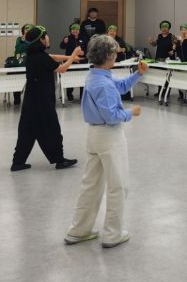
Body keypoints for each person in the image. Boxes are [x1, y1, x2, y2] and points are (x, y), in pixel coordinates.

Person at [64, 35, 148, 249]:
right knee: (118, 186)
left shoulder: (95, 75)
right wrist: (131, 112)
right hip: (109, 137)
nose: (117, 55)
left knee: (90, 185)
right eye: (114, 52)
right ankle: (112, 234)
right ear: (109, 55)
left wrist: (138, 73)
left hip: (93, 136)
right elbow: (112, 116)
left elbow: (120, 86)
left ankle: (78, 230)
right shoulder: (103, 83)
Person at [11, 25, 82, 171]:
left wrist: (70, 58)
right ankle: (59, 160)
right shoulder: (40, 57)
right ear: (41, 40)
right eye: (46, 35)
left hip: (31, 100)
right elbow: (61, 69)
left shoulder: (34, 54)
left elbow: (52, 57)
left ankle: (17, 162)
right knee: (52, 129)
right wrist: (73, 55)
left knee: (27, 131)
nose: (48, 37)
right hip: (42, 101)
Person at [60, 23, 87, 101]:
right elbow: (62, 46)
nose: (75, 31)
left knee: (82, 78)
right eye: (73, 29)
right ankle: (69, 95)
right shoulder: (67, 38)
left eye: (77, 29)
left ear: (79, 30)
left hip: (81, 61)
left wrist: (84, 52)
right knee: (70, 78)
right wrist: (64, 42)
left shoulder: (84, 38)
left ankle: (82, 96)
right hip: (70, 61)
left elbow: (87, 48)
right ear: (70, 30)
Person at [108, 25, 132, 101]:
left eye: (114, 31)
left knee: (119, 78)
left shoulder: (120, 39)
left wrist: (122, 49)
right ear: (108, 32)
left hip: (119, 61)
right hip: (108, 62)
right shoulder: (105, 39)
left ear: (116, 32)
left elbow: (126, 49)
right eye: (111, 31)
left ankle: (122, 95)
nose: (112, 32)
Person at [11, 23, 33, 106]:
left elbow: (31, 47)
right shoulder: (19, 39)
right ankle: (17, 99)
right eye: (26, 29)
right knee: (17, 82)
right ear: (23, 30)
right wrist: (24, 42)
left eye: (30, 29)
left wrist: (26, 42)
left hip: (29, 63)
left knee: (30, 83)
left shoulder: (33, 40)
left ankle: (29, 100)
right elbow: (18, 48)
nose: (28, 30)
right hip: (18, 63)